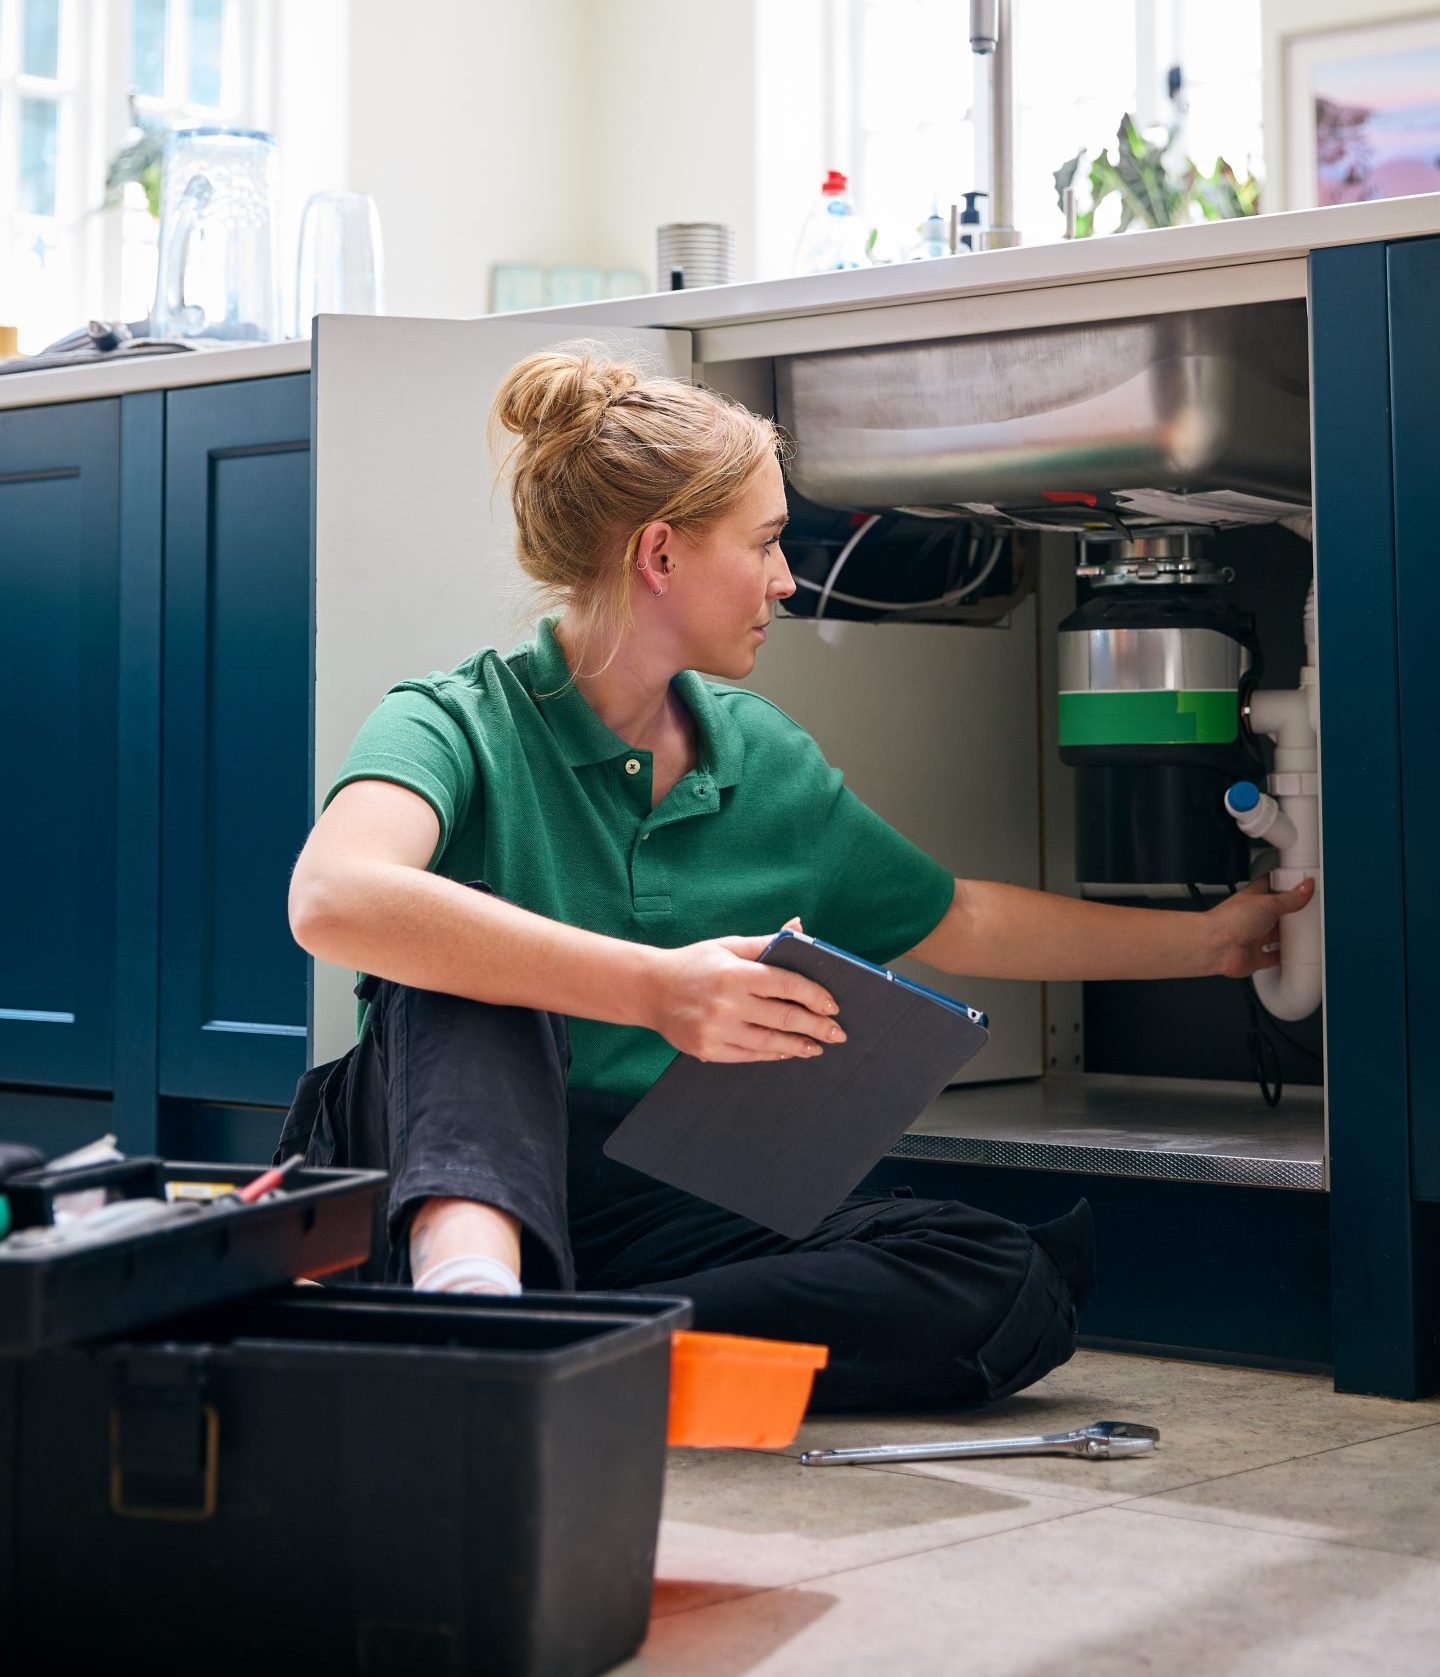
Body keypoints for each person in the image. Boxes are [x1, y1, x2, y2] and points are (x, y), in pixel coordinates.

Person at [279, 349, 1314, 1411]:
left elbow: (957, 918)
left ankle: (571, 1347)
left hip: (653, 1202)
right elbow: (335, 898)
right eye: (767, 542)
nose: (786, 578)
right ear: (660, 554)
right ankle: (474, 1296)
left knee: (998, 1279)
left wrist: (1209, 944)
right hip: (439, 1164)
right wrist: (656, 988)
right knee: (470, 979)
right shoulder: (453, 723)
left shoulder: (759, 757)